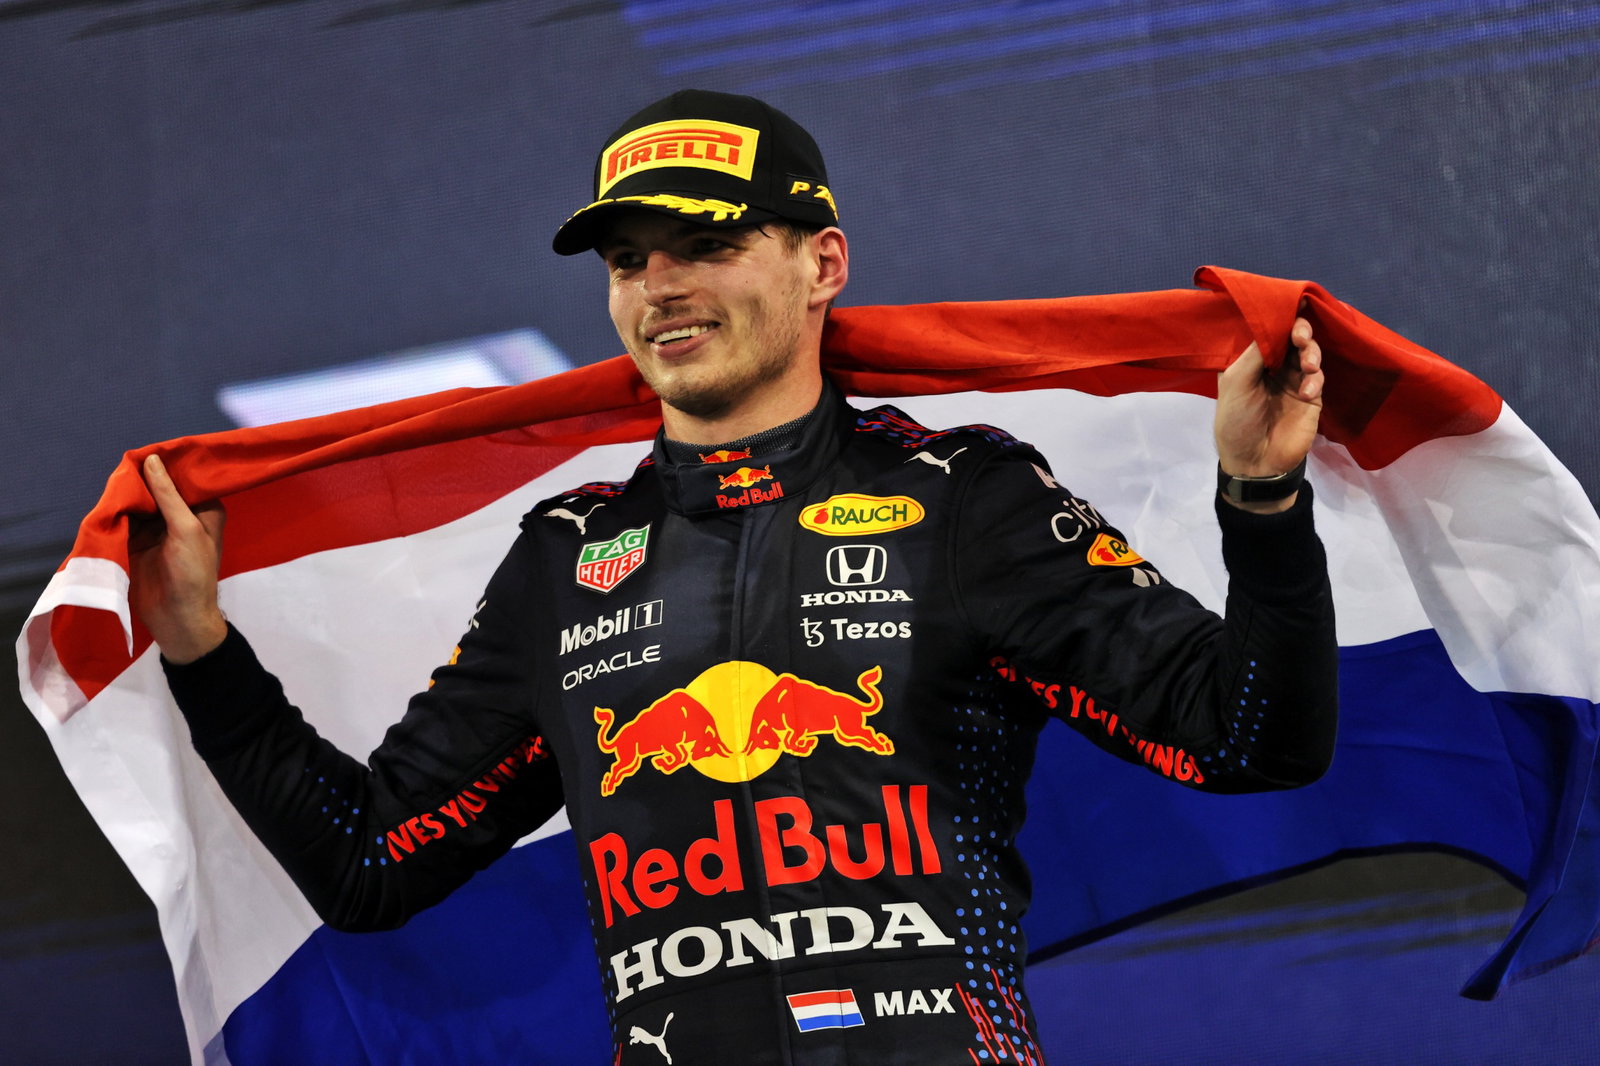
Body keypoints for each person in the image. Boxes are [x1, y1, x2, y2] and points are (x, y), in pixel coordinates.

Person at [132, 90, 1336, 1065]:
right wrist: (201, 652)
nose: (660, 287)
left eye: (707, 244)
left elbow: (1248, 737)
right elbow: (369, 861)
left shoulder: (966, 499)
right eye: (627, 258)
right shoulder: (567, 560)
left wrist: (1263, 504)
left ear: (822, 263)